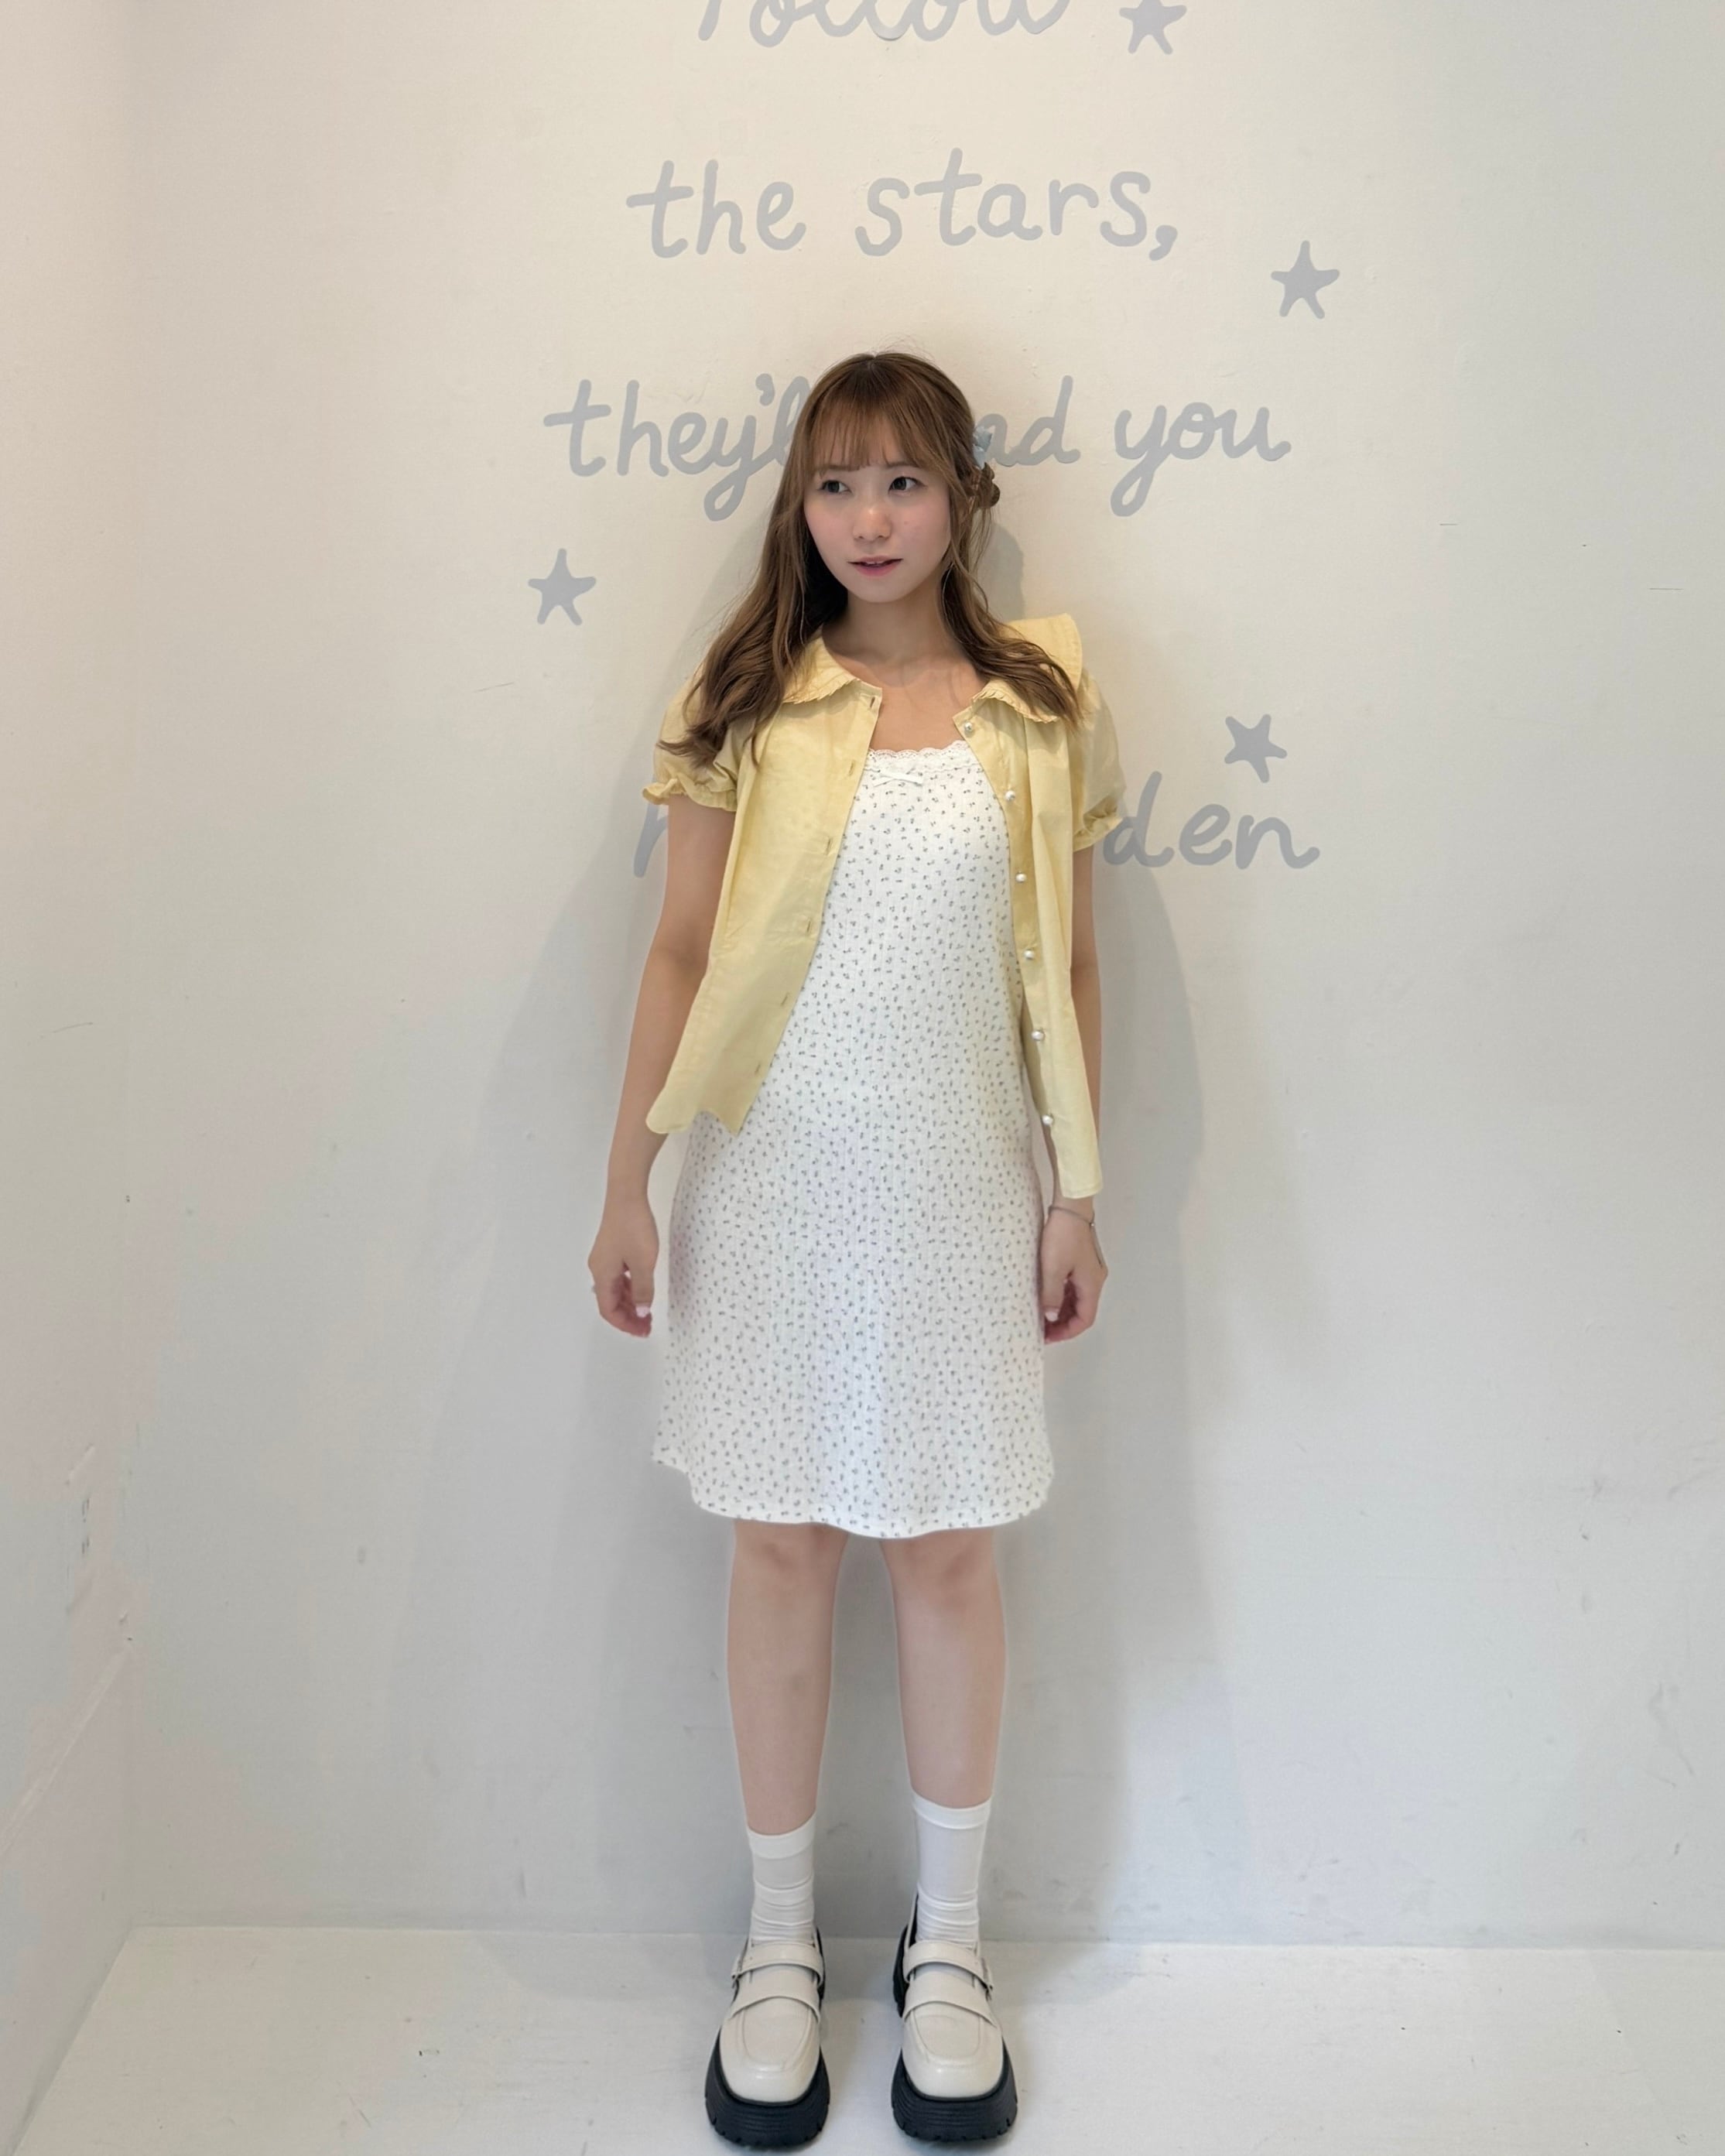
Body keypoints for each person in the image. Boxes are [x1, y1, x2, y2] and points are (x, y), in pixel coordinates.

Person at [589, 348, 1125, 2147]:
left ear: (960, 497)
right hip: (769, 1182)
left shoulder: (1036, 702)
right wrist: (625, 1184)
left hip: (958, 1187)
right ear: (797, 505)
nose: (869, 518)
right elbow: (678, 955)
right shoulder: (746, 695)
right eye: (835, 482)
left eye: (902, 480)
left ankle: (948, 1945)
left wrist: (1073, 1190)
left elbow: (1065, 969)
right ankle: (774, 1946)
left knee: (951, 1547)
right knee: (781, 1541)